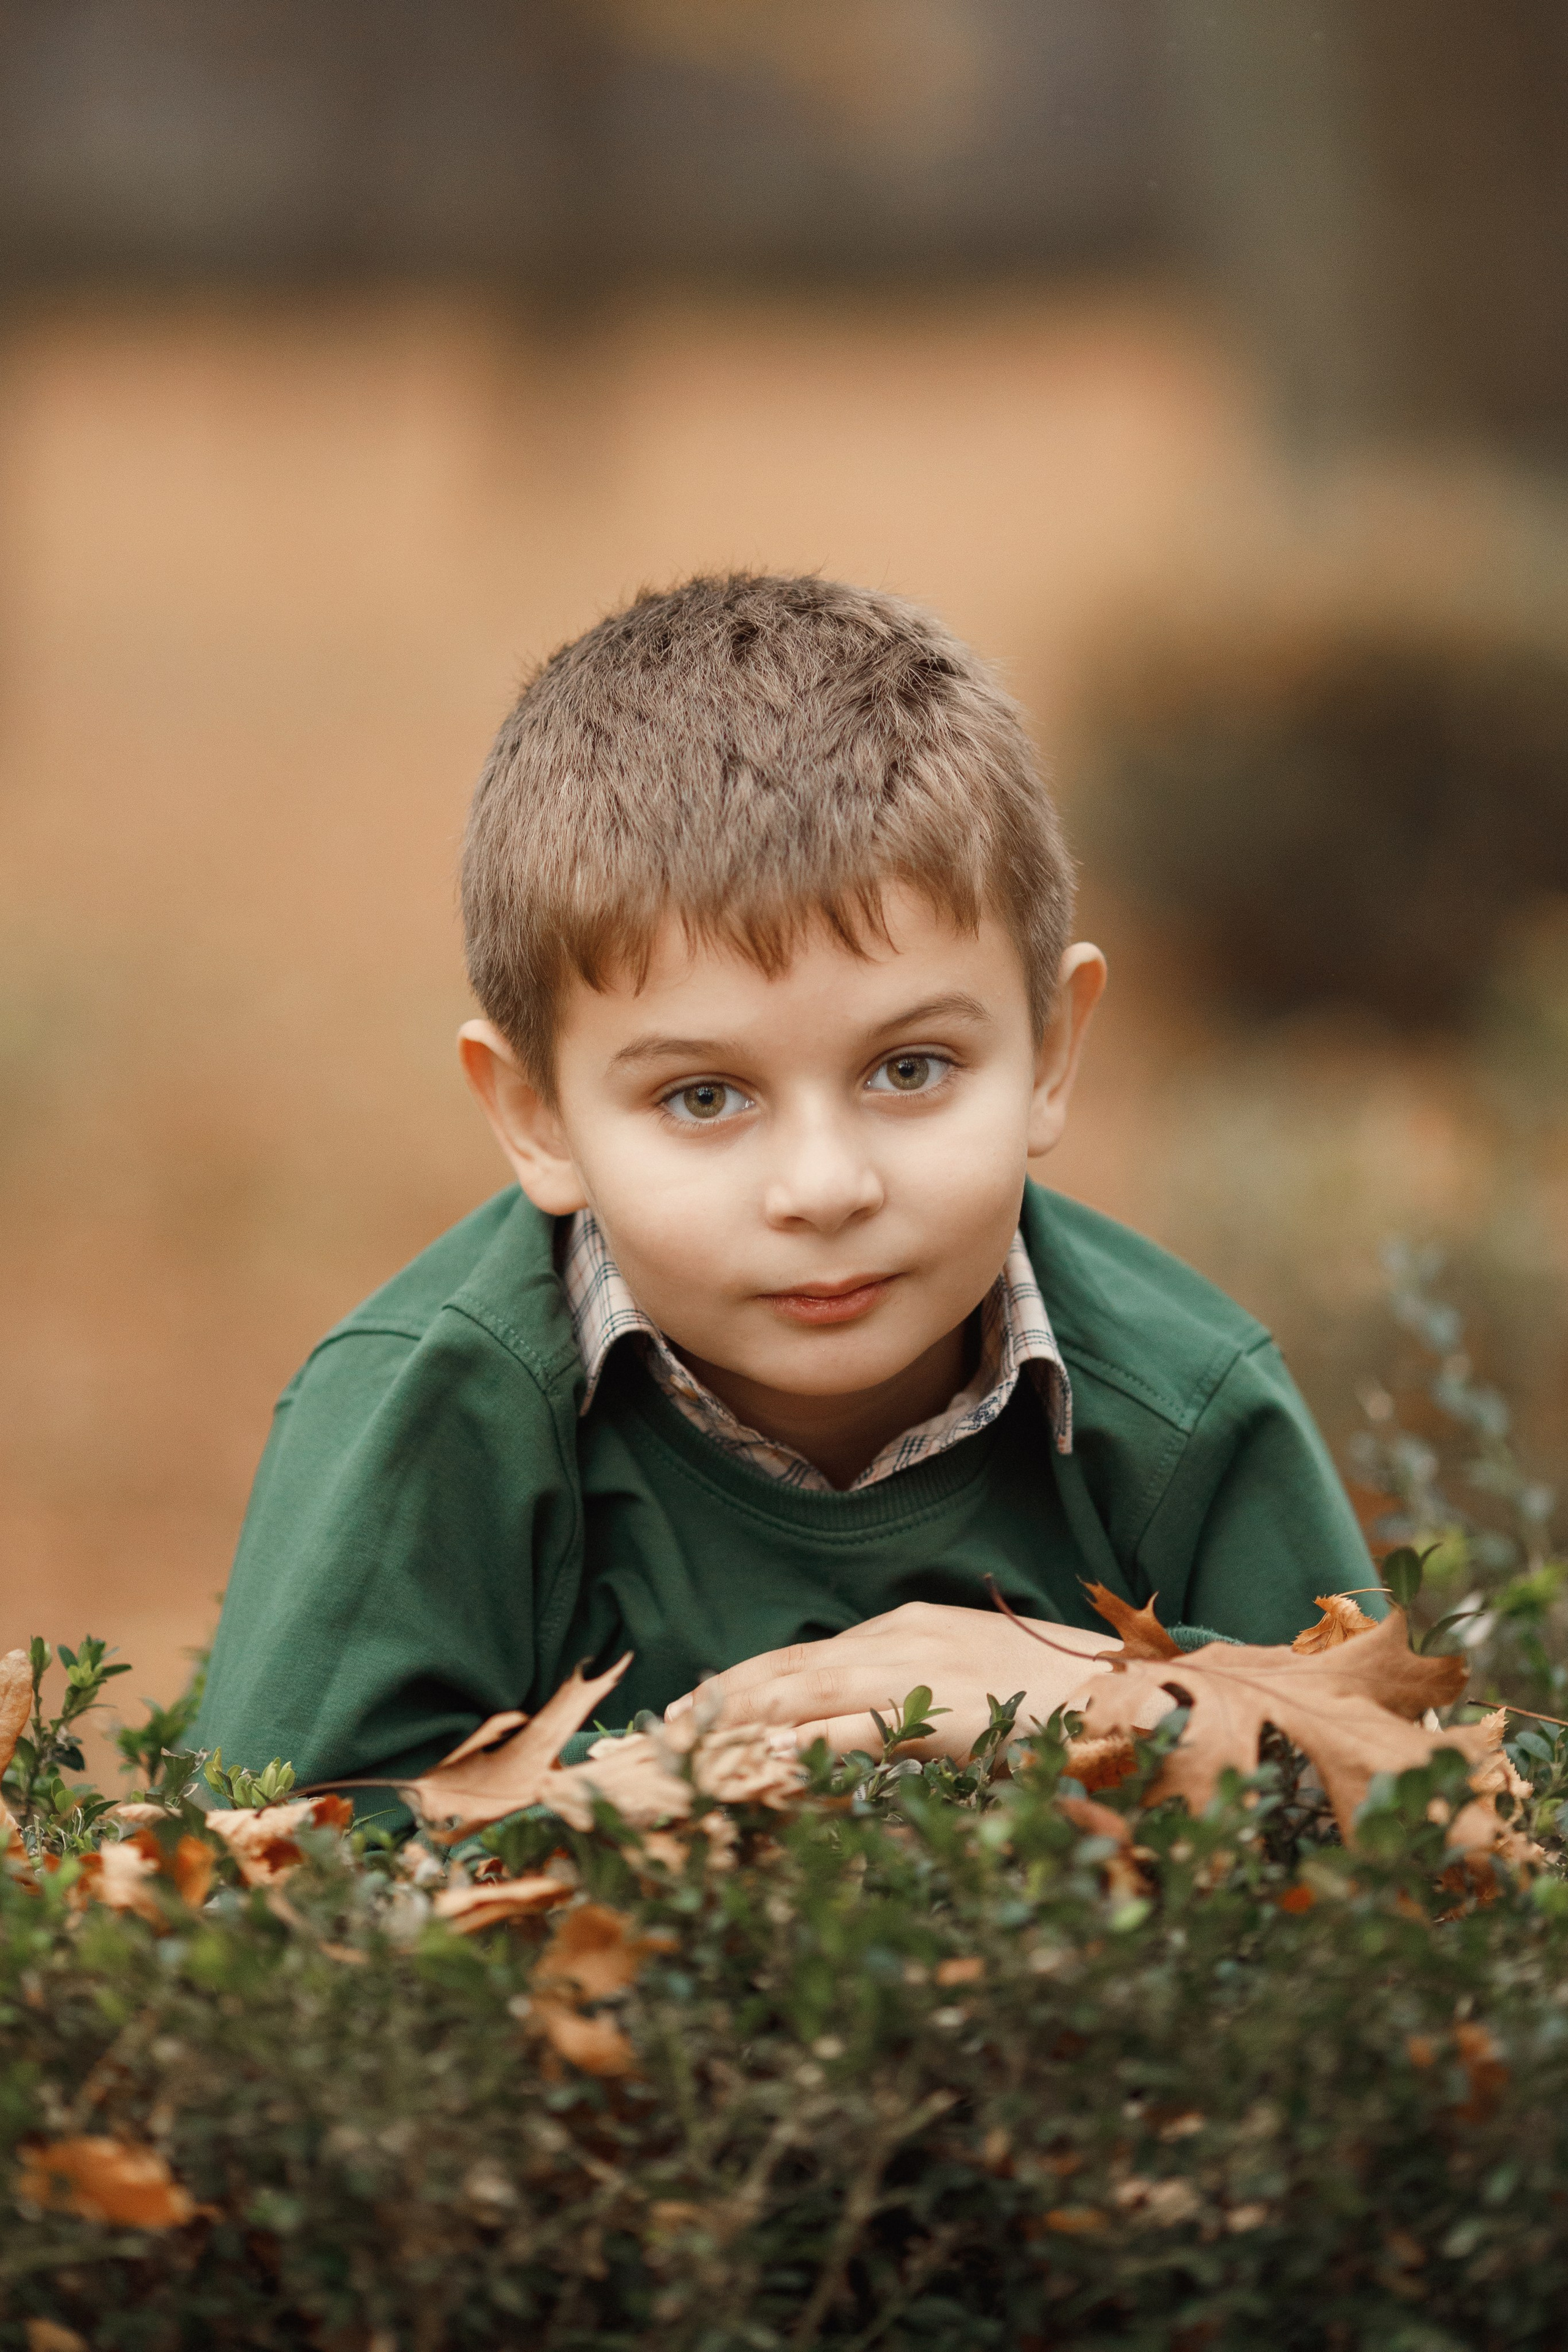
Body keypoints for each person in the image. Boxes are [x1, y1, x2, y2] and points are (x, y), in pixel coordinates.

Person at [194, 573, 1373, 1795]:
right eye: (703, 1097)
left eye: (909, 1068)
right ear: (536, 1118)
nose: (821, 1187)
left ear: (1050, 1050)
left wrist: (1097, 1702)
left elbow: (1409, 1803)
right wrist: (674, 1786)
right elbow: (258, 1869)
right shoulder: (428, 1418)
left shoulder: (1187, 1413)